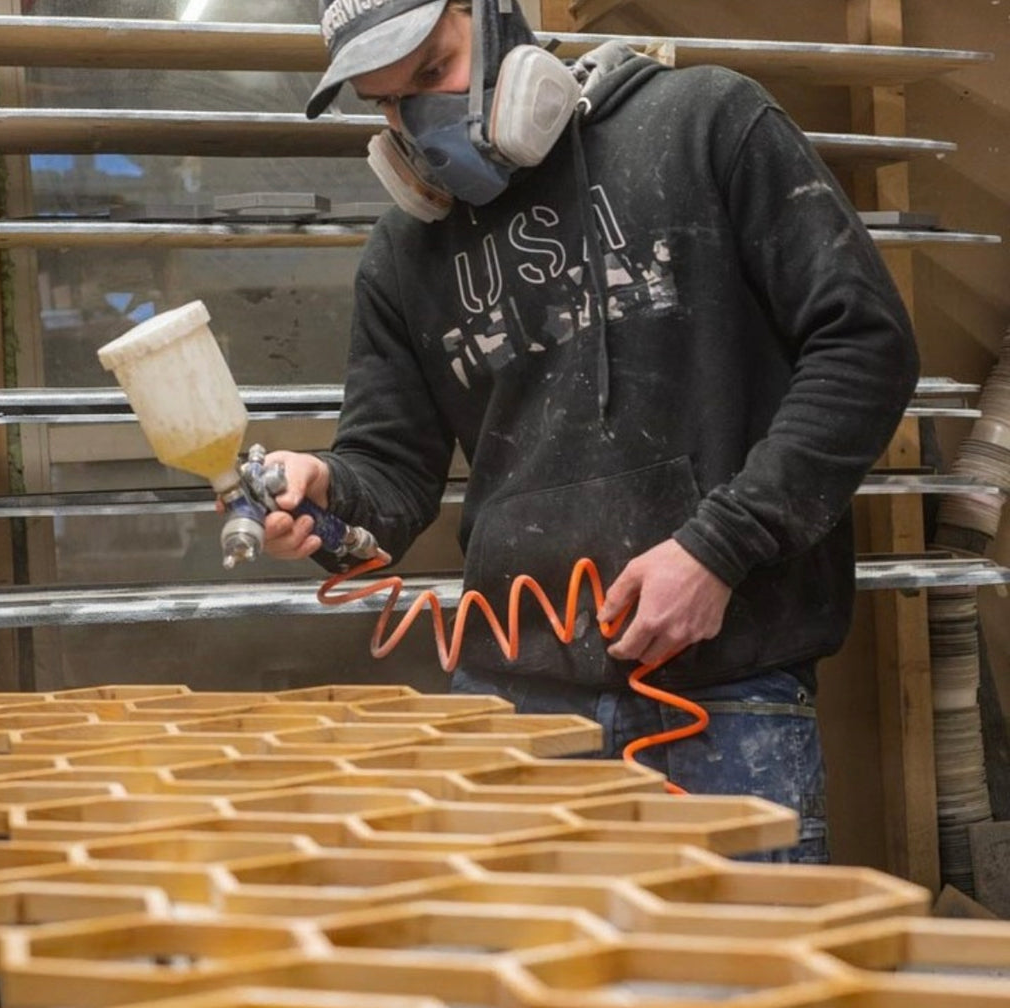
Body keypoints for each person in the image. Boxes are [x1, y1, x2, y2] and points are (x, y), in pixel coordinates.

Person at [263, 0, 920, 863]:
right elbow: (388, 473)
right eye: (386, 104)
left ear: (496, 20)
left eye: (431, 74)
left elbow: (863, 346)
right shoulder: (402, 255)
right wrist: (326, 494)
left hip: (723, 698)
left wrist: (719, 549)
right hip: (510, 714)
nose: (418, 125)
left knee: (732, 992)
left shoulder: (704, 124)